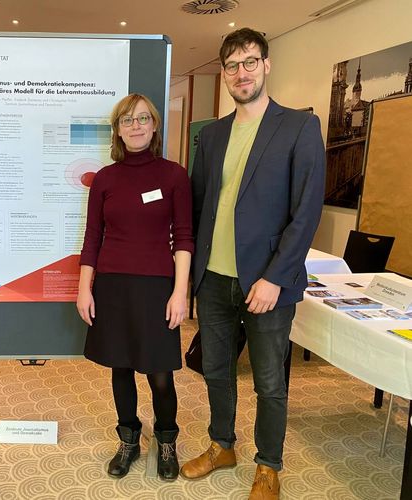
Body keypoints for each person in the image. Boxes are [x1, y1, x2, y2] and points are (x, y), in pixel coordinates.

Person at [179, 28, 325, 500]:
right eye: (232, 65)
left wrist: (274, 279)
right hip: (215, 279)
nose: (241, 73)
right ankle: (222, 445)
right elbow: (201, 206)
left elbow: (306, 214)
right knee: (216, 369)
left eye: (249, 62)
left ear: (266, 65)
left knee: (268, 381)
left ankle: (269, 465)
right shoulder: (214, 133)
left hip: (267, 284)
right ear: (223, 74)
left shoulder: (300, 127)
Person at [77, 93, 193, 481]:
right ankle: (128, 438)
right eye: (127, 120)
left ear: (155, 125)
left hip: (157, 287)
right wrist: (84, 287)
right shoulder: (106, 178)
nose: (136, 126)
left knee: (160, 373)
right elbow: (92, 237)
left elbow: (185, 238)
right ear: (118, 129)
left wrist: (181, 292)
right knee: (121, 368)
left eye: (143, 118)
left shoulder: (174, 175)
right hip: (112, 286)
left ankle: (166, 440)